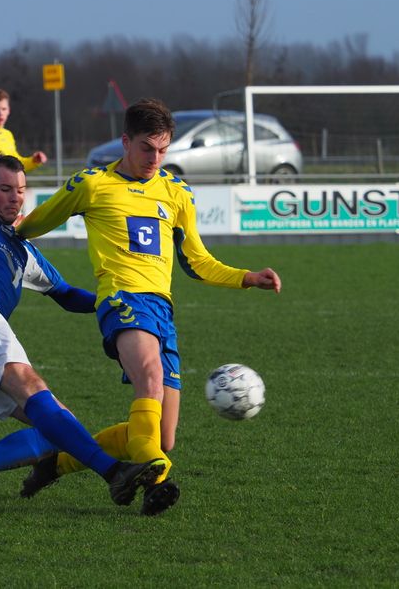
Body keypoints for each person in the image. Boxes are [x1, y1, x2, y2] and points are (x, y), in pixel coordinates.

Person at [0, 88, 165, 510]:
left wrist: (117, 300)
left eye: (20, 190)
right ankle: (114, 473)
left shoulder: (24, 250)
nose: (14, 196)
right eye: (3, 188)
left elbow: (68, 296)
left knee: (55, 427)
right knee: (38, 393)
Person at [15, 97, 282, 516]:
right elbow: (29, 227)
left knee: (161, 435)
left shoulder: (176, 192)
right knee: (151, 381)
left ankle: (57, 463)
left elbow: (197, 262)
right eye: (146, 148)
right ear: (125, 141)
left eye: (163, 150)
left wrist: (248, 277)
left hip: (162, 310)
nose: (155, 159)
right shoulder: (92, 185)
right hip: (122, 299)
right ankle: (157, 479)